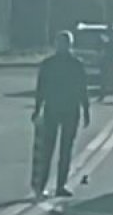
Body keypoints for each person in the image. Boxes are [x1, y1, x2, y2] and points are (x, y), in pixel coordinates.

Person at [31, 31, 90, 200]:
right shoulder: (53, 64)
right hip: (55, 109)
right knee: (49, 150)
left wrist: (86, 110)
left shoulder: (73, 65)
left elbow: (82, 89)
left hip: (67, 110)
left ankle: (59, 185)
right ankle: (43, 185)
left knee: (64, 150)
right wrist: (37, 108)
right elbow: (41, 88)